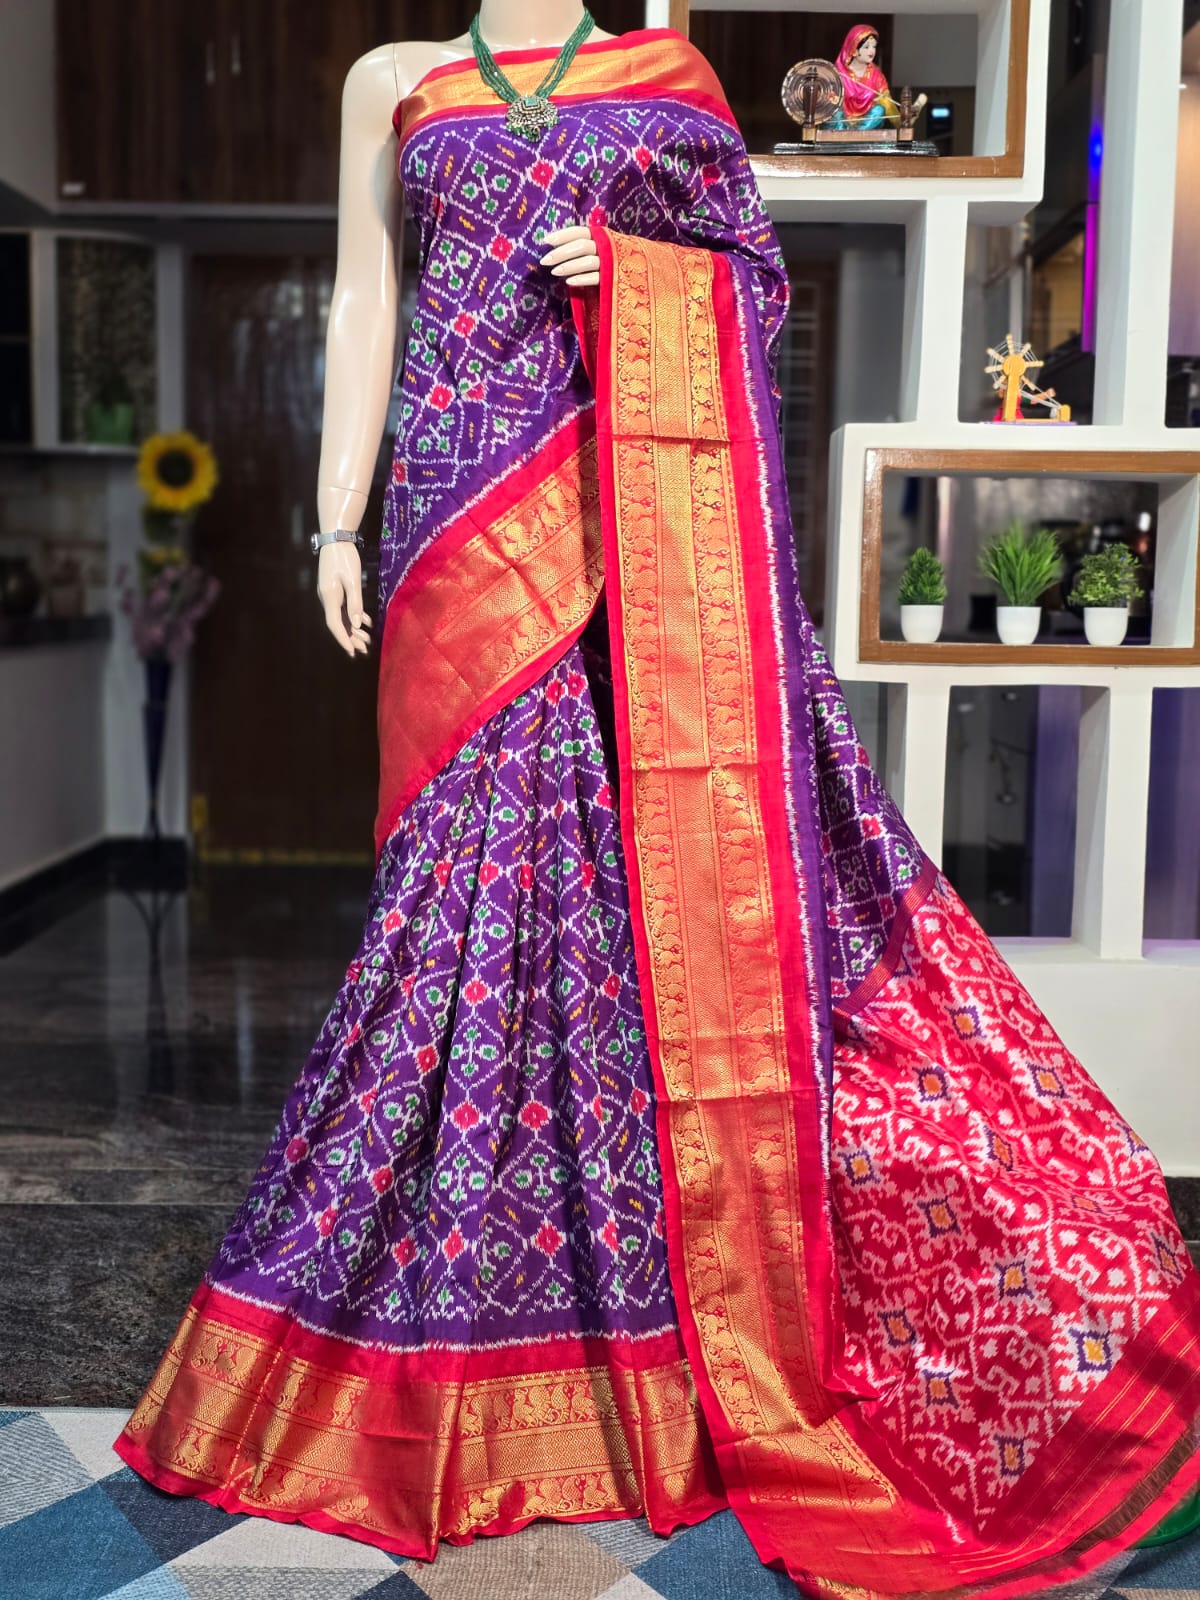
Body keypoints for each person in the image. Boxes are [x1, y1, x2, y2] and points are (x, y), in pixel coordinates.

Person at [114, 5, 1200, 1595]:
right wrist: (335, 524)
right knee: (451, 890)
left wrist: (635, 277)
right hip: (451, 514)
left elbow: (748, 279)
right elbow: (367, 295)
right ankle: (442, 1313)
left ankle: (648, 1330)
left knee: (634, 905)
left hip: (616, 513)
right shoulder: (393, 82)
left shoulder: (667, 80)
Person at [831, 23, 900, 130]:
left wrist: (900, 122)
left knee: (880, 110)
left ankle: (856, 134)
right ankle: (845, 134)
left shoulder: (876, 75)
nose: (872, 51)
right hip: (841, 123)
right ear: (854, 50)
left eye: (874, 46)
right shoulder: (838, 73)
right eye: (867, 47)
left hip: (866, 124)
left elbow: (887, 102)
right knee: (834, 112)